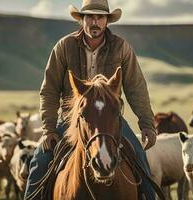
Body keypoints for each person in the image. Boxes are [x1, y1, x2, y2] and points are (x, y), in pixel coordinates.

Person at [24, 0, 157, 199]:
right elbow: (50, 91)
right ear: (82, 20)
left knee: (139, 155)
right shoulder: (64, 47)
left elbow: (136, 88)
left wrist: (146, 123)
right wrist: (49, 128)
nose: (95, 22)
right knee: (39, 161)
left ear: (107, 21)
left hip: (110, 119)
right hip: (72, 120)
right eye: (90, 17)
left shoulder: (121, 48)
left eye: (100, 17)